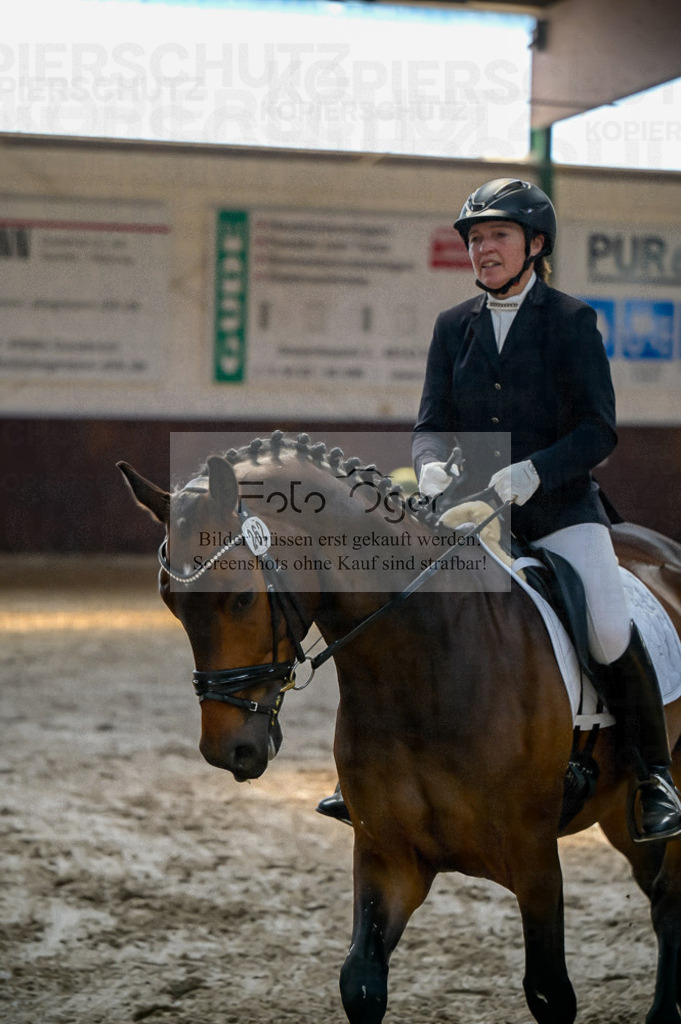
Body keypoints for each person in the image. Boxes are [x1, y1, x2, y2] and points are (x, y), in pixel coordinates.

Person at [409, 176, 681, 843]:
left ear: (534, 244)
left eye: (497, 235)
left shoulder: (571, 321)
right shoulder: (453, 327)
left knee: (608, 631)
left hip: (561, 512)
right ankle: (383, 764)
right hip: (473, 515)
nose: (483, 249)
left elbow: (598, 429)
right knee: (405, 611)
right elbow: (430, 423)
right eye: (475, 238)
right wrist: (430, 464)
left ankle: (653, 777)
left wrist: (533, 472)